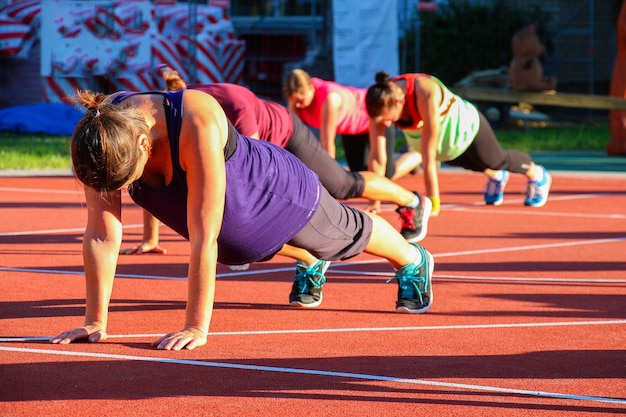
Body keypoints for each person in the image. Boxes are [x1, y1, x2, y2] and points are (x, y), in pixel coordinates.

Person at [51, 87, 434, 351]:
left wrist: (195, 326)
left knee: (341, 233)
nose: (122, 193)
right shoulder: (98, 137)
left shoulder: (194, 120)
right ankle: (309, 262)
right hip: (234, 208)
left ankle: (413, 259)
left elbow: (204, 236)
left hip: (276, 188)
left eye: (127, 180)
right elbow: (102, 234)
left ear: (143, 144)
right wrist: (94, 321)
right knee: (236, 248)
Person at [122, 67, 431, 261]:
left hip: (285, 136)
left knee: (342, 185)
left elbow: (252, 165)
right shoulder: (167, 119)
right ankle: (310, 259)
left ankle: (412, 200)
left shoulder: (224, 108)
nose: (298, 103)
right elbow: (158, 180)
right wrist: (151, 238)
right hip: (260, 152)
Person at [365, 71, 552, 214]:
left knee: (494, 160)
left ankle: (537, 173)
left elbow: (429, 158)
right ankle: (497, 177)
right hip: (446, 144)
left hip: (466, 126)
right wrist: (375, 201)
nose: (387, 125)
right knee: (462, 161)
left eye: (389, 120)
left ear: (399, 102)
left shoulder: (425, 92)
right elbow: (377, 157)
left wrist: (433, 203)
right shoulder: (379, 104)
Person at [283, 69, 422, 212]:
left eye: (301, 100)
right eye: (294, 101)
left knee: (386, 174)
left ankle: (417, 155)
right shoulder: (295, 102)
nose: (299, 105)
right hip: (350, 131)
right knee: (361, 175)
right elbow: (294, 139)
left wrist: (327, 185)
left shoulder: (330, 98)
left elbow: (327, 142)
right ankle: (402, 157)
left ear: (311, 88)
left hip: (373, 119)